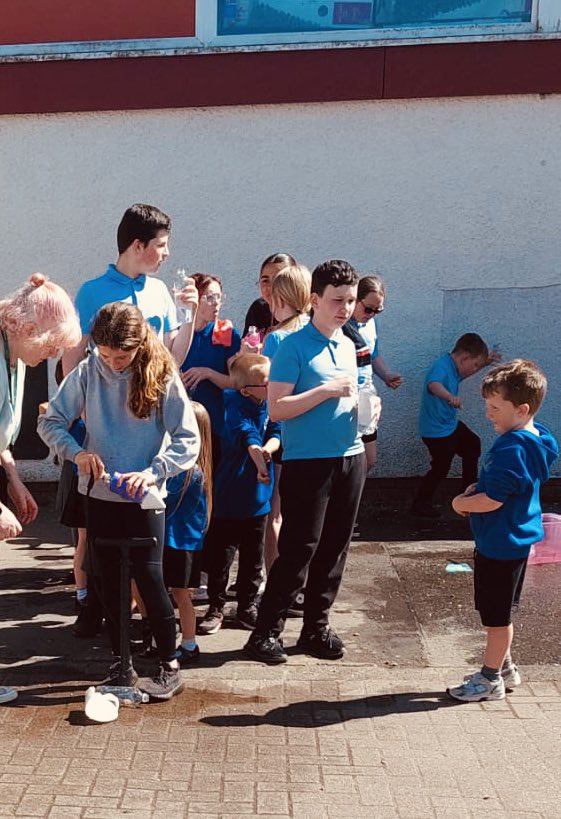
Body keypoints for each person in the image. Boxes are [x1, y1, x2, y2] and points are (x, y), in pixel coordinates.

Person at [38, 303, 200, 700]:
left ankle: (169, 663)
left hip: (146, 498)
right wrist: (77, 453)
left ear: (140, 343)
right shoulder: (88, 371)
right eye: (106, 355)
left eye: (122, 357)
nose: (112, 364)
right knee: (107, 583)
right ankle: (121, 662)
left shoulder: (162, 374)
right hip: (100, 494)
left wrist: (154, 472)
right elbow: (49, 420)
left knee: (151, 579)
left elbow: (188, 439)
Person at [61, 203, 198, 637]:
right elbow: (72, 362)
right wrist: (90, 419)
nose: (167, 253)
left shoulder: (159, 292)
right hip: (102, 438)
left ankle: (153, 635)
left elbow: (172, 360)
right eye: (162, 245)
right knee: (93, 537)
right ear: (138, 245)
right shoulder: (92, 291)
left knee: (148, 548)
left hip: (150, 439)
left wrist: (189, 316)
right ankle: (94, 606)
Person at [244, 259, 366, 664]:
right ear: (314, 300)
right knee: (300, 548)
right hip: (308, 462)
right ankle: (265, 632)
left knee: (335, 548)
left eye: (350, 300)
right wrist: (327, 390)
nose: (345, 308)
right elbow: (277, 408)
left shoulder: (347, 344)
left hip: (350, 455)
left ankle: (316, 626)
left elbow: (351, 394)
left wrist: (369, 408)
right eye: (337, 300)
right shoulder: (292, 346)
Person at [447, 359, 558, 701]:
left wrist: (461, 503)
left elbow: (493, 500)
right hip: (516, 540)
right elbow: (509, 487)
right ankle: (505, 668)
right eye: (487, 405)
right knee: (502, 610)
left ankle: (489, 679)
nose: (488, 413)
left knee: (496, 619)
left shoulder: (511, 448)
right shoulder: (538, 438)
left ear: (522, 409)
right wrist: (480, 487)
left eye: (495, 408)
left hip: (499, 543)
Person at [0, 272, 81, 705]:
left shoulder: (12, 357)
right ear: (28, 329)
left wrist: (13, 479)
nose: (53, 355)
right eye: (51, 346)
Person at [198, 354, 281, 635]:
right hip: (229, 499)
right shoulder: (233, 407)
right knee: (221, 558)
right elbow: (249, 439)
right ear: (246, 390)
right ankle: (216, 607)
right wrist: (261, 462)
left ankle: (246, 606)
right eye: (267, 383)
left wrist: (268, 452)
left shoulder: (269, 403)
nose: (272, 385)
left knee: (253, 558)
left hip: (257, 499)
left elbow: (275, 432)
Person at [262, 263, 311, 587]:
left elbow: (267, 388)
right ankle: (301, 583)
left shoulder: (277, 338)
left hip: (282, 433)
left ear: (283, 299)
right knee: (306, 516)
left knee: (275, 514)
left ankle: (276, 583)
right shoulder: (317, 332)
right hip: (314, 437)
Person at [411, 333, 496, 519]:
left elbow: (465, 372)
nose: (475, 369)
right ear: (464, 358)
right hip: (435, 431)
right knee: (441, 467)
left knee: (472, 444)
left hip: (448, 425)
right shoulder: (442, 366)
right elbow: (433, 384)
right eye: (475, 364)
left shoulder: (455, 367)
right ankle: (420, 503)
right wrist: (449, 396)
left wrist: (485, 363)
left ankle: (469, 492)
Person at [163, 402, 212, 666]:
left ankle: (189, 643)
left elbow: (162, 497)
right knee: (176, 594)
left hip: (179, 542)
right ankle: (178, 641)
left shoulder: (188, 472)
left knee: (181, 595)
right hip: (182, 541)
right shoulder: (197, 469)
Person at [180, 273, 241, 468]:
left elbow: (237, 382)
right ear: (195, 299)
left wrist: (208, 373)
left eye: (219, 297)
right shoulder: (178, 333)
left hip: (215, 426)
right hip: (181, 425)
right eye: (210, 297)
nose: (217, 304)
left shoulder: (225, 332)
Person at [344, 274, 403, 470]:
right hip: (345, 396)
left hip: (366, 395)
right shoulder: (339, 326)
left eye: (378, 311)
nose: (371, 315)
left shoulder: (371, 324)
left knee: (369, 459)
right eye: (368, 309)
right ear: (354, 299)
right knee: (347, 458)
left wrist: (386, 375)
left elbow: (373, 355)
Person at [242, 253, 297, 339]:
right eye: (265, 280)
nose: (270, 287)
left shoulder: (304, 313)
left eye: (277, 280)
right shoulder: (258, 309)